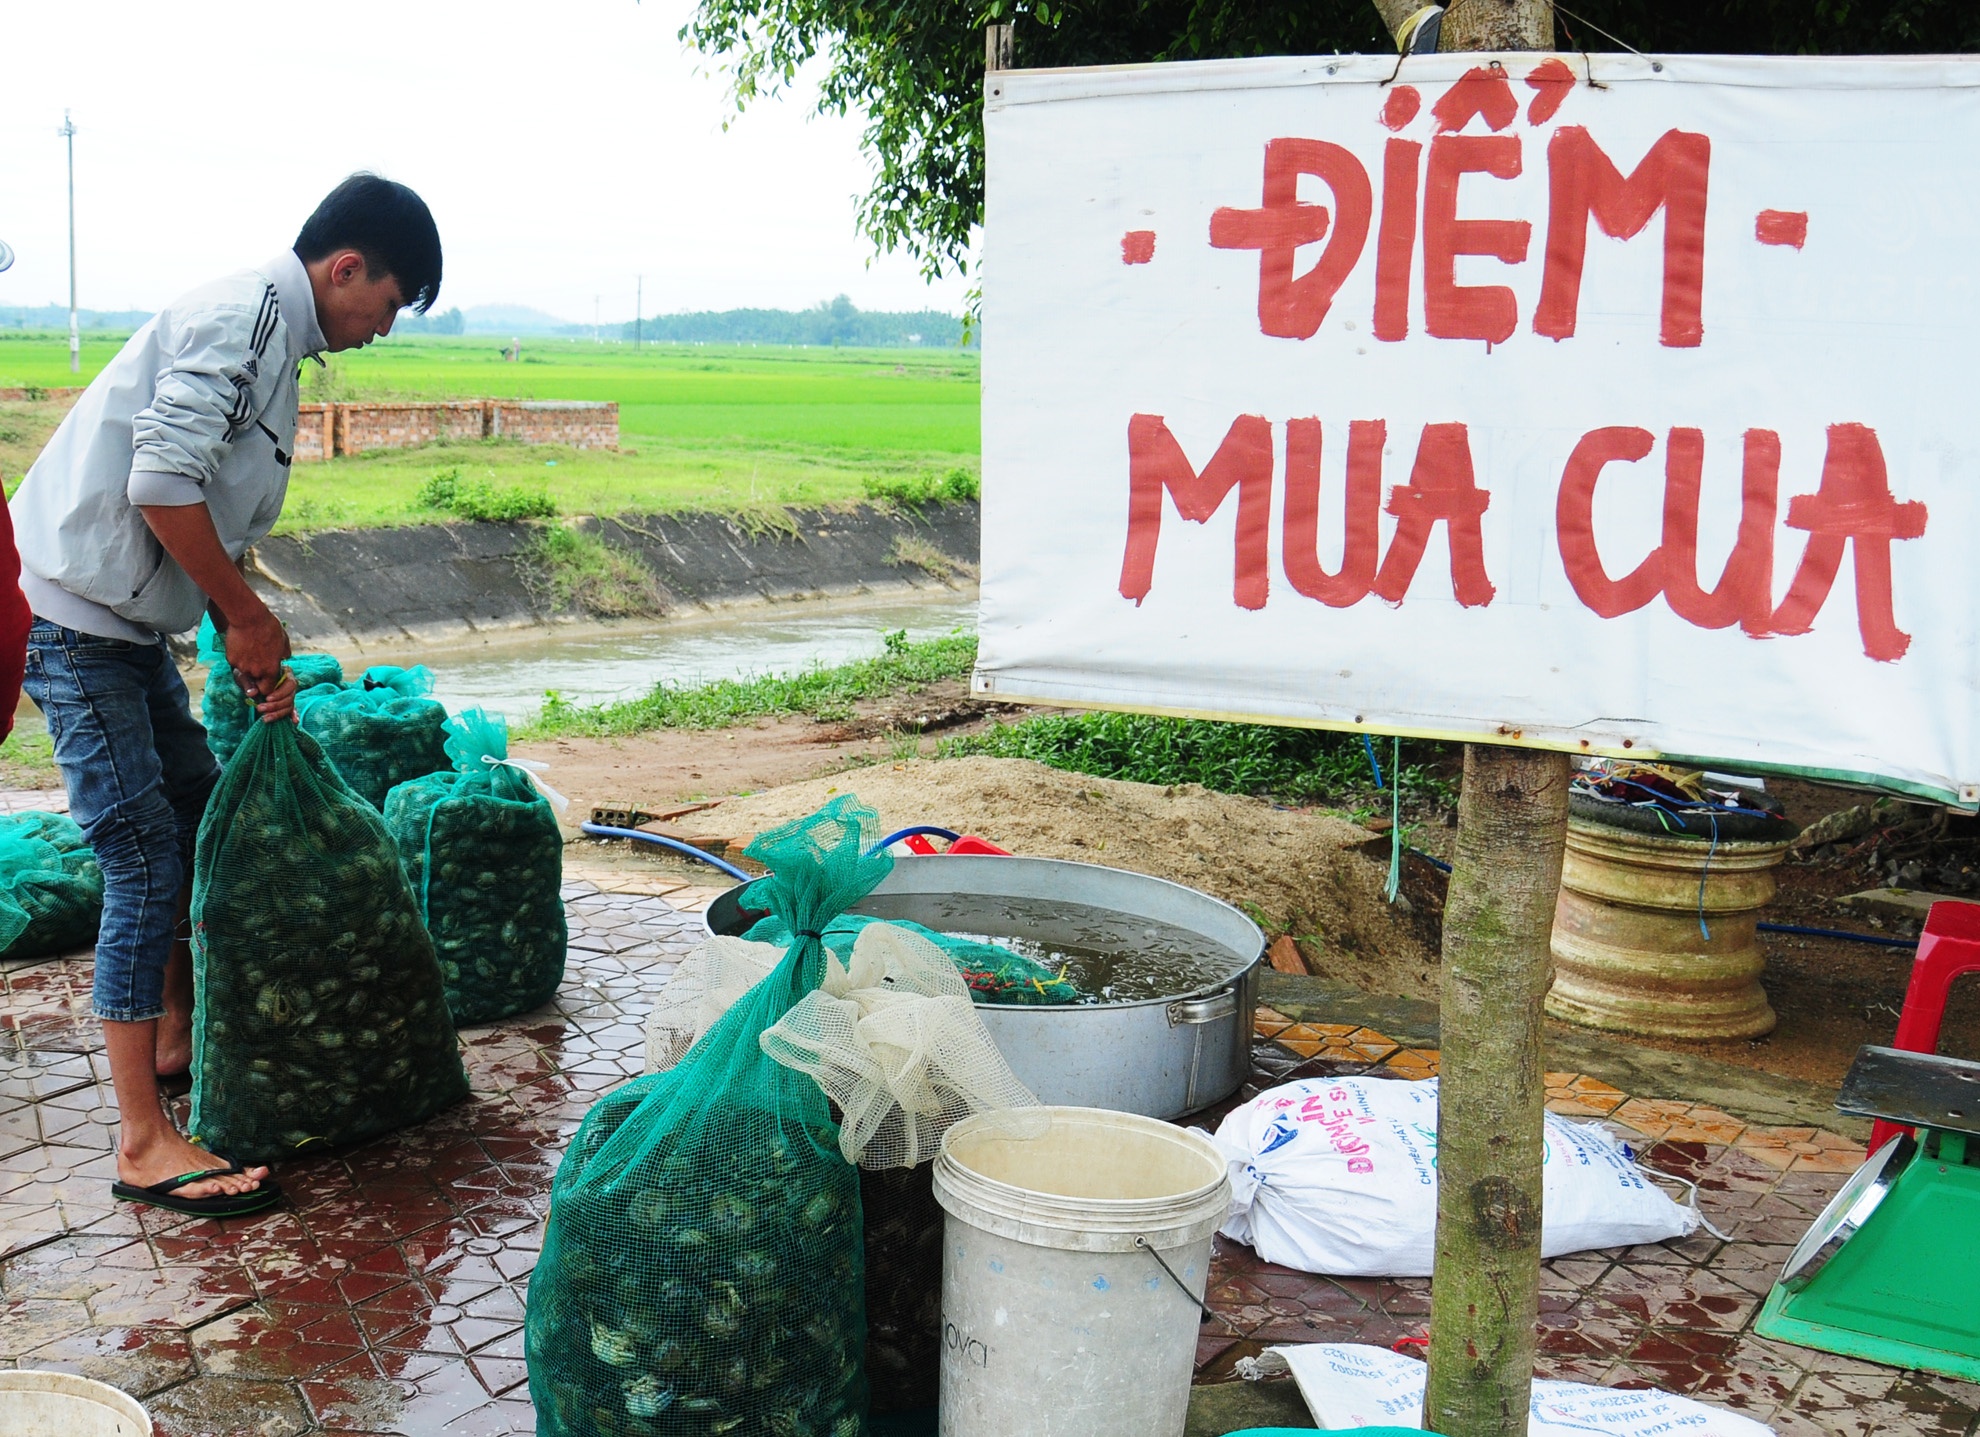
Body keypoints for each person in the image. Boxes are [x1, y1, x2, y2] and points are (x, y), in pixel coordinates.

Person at [9, 173, 442, 1217]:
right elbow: (158, 485)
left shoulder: (277, 345)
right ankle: (142, 1143)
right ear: (346, 269)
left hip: (126, 624)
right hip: (73, 619)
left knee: (203, 817)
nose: (384, 328)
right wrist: (246, 618)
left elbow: (202, 504)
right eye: (388, 303)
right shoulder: (243, 318)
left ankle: (169, 1037)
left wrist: (239, 646)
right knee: (143, 857)